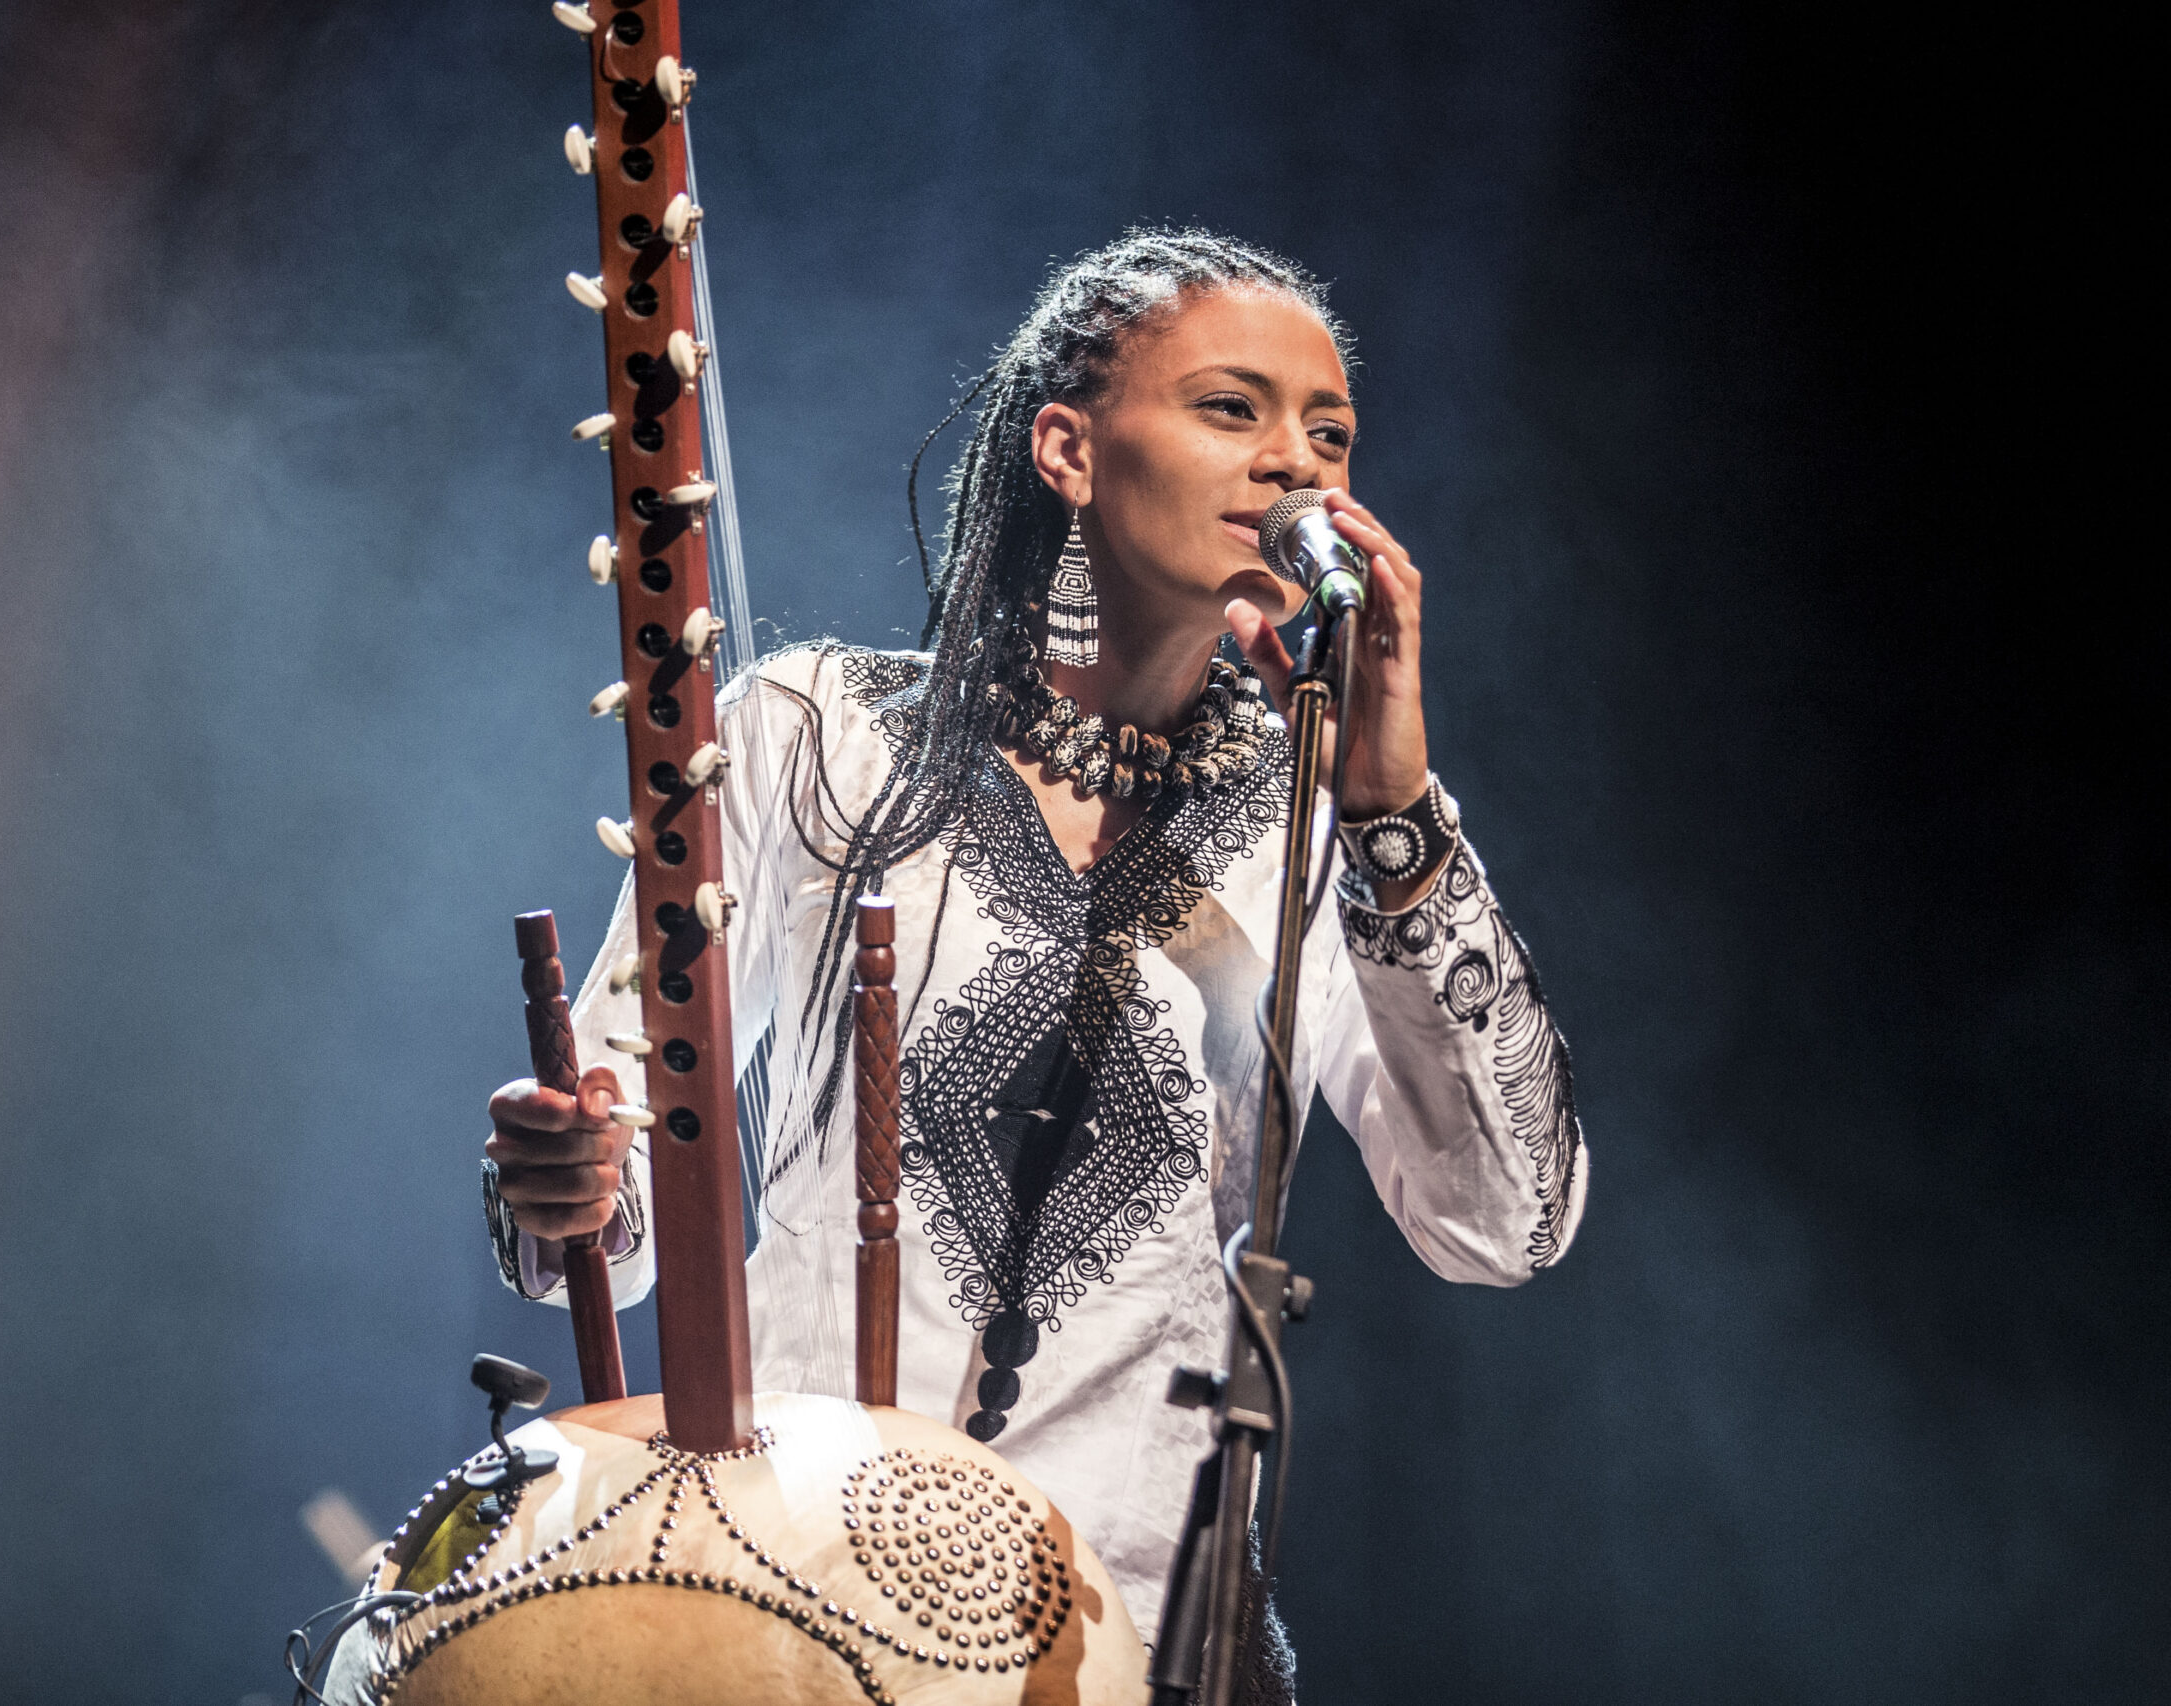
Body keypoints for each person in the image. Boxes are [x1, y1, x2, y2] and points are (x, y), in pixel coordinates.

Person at [481, 228, 1587, 1690]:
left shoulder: (1315, 818)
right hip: (791, 1608)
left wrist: (1394, 813)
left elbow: (1504, 1222)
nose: (1294, 465)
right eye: (1232, 408)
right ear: (1067, 449)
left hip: (1126, 1639)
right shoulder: (814, 732)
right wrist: (564, 1174)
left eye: (1329, 434)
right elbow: (611, 1224)